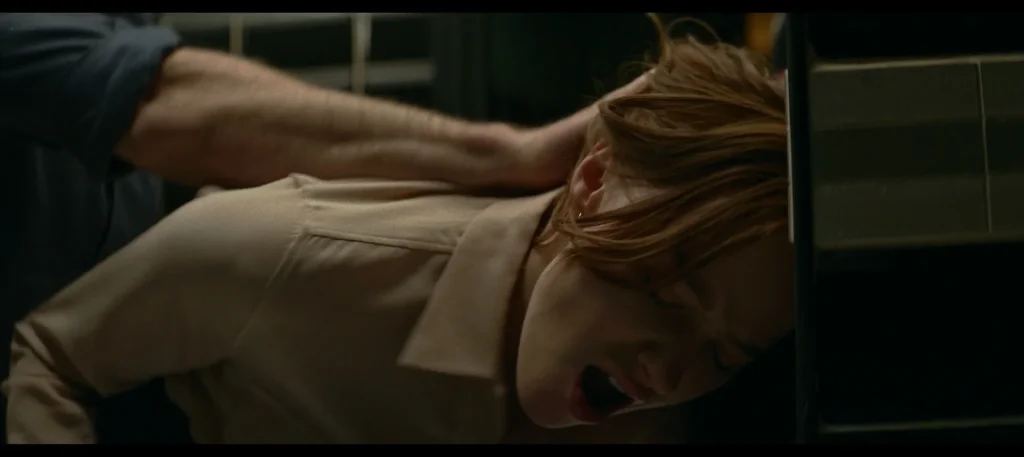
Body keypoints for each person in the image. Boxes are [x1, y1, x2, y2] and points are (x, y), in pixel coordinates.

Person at [4, 17, 793, 444]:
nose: (670, 369)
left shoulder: (671, 415)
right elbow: (53, 354)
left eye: (725, 354)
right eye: (666, 295)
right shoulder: (294, 257)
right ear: (590, 184)